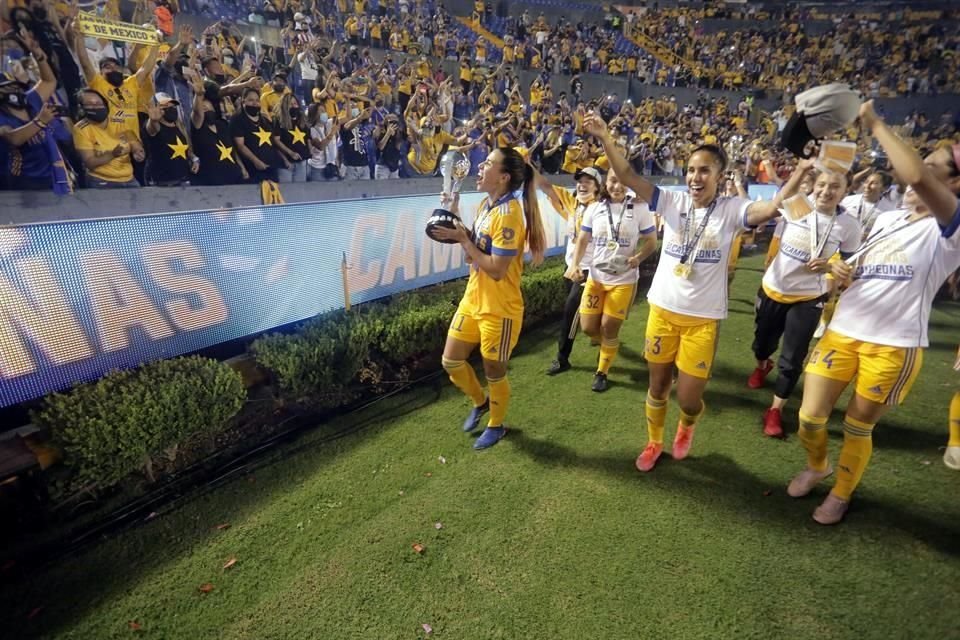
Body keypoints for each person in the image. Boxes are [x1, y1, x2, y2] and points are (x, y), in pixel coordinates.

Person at [583, 112, 804, 472]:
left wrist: (801, 172)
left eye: (704, 171)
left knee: (687, 399)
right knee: (656, 388)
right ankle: (654, 442)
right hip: (663, 311)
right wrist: (606, 136)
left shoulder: (733, 209)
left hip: (702, 320)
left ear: (719, 177)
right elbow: (626, 175)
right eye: (690, 170)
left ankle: (687, 425)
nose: (694, 177)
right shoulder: (672, 202)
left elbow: (770, 208)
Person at [787, 100, 960, 525]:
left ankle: (841, 493)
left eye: (933, 165)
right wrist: (840, 270)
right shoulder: (888, 219)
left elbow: (914, 173)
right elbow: (858, 271)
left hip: (893, 346)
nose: (918, 167)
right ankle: (818, 465)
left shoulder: (951, 225)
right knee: (809, 417)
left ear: (955, 184)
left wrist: (875, 123)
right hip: (843, 331)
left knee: (857, 427)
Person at [431, 147, 547, 450]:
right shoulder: (486, 205)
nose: (480, 167)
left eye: (488, 164)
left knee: (493, 370)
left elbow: (496, 270)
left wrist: (464, 240)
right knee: (451, 361)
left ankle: (497, 425)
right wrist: (455, 223)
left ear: (504, 177)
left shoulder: (510, 215)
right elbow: (475, 257)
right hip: (474, 299)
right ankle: (480, 402)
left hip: (500, 308)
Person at [748, 165, 862, 437]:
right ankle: (763, 364)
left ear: (845, 191)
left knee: (793, 357)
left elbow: (847, 265)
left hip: (808, 297)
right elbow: (773, 212)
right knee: (762, 343)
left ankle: (775, 410)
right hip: (774, 288)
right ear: (814, 185)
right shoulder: (799, 205)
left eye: (835, 186)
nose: (826, 191)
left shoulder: (847, 225)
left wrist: (830, 268)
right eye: (822, 184)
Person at [565, 169, 658, 391]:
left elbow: (651, 241)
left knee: (609, 327)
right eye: (613, 181)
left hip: (624, 281)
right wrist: (575, 264)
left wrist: (638, 258)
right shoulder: (594, 209)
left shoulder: (639, 208)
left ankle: (602, 372)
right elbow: (583, 239)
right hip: (596, 278)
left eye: (623, 182)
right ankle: (608, 344)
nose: (618, 187)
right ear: (605, 183)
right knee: (588, 328)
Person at [538, 166, 603, 376]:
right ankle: (599, 332)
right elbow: (545, 186)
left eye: (588, 181)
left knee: (569, 312)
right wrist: (526, 163)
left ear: (597, 186)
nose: (582, 185)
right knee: (582, 314)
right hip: (570, 267)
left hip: (588, 270)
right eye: (580, 181)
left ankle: (562, 358)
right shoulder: (572, 202)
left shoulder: (601, 209)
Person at [73, 89, 144, 188]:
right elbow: (90, 163)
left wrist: (138, 151)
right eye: (90, 104)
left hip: (129, 179)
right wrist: (112, 154)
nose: (96, 107)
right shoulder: (81, 129)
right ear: (82, 108)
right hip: (101, 182)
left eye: (98, 103)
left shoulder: (120, 122)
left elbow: (134, 143)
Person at [190, 79, 248, 185]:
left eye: (208, 108)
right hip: (213, 180)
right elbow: (197, 112)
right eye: (203, 109)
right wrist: (198, 95)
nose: (206, 110)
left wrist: (242, 168)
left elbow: (232, 150)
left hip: (235, 175)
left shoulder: (222, 125)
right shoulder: (198, 127)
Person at [144, 92, 198, 186]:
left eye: (172, 106)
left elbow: (187, 150)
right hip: (163, 184)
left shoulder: (178, 124)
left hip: (183, 180)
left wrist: (194, 159)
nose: (171, 109)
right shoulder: (155, 126)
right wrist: (152, 120)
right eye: (165, 107)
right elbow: (151, 127)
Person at [231, 87, 283, 182]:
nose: (255, 103)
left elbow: (273, 142)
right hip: (253, 169)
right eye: (251, 100)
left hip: (271, 167)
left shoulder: (264, 120)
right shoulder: (237, 119)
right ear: (243, 101)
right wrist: (256, 161)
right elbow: (240, 145)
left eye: (257, 100)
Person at [272, 94, 309, 182]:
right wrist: (290, 154)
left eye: (295, 103)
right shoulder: (277, 120)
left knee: (300, 191)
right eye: (290, 104)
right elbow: (275, 141)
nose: (293, 106)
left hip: (301, 161)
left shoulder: (302, 119)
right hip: (286, 163)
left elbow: (307, 139)